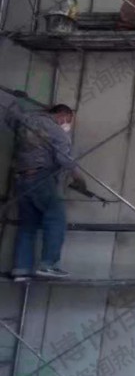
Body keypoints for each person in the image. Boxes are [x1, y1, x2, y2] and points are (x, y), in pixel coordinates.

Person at [4, 96, 85, 280]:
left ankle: (21, 269)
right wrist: (78, 177)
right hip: (41, 177)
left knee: (28, 225)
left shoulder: (25, 121)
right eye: (69, 121)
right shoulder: (55, 129)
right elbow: (64, 158)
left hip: (20, 178)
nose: (68, 125)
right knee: (56, 217)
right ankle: (48, 264)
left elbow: (10, 120)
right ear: (63, 116)